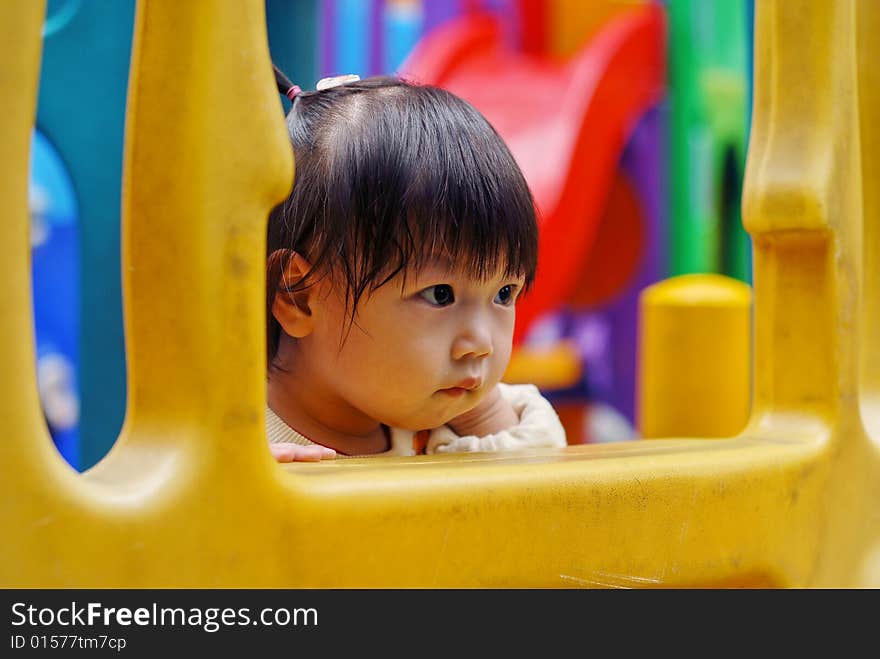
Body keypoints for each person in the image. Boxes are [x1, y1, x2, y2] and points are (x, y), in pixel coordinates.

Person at [266, 66, 566, 461]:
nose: (480, 344)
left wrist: (481, 411)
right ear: (300, 296)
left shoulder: (443, 431)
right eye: (441, 295)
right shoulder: (219, 442)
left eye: (504, 293)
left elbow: (542, 484)